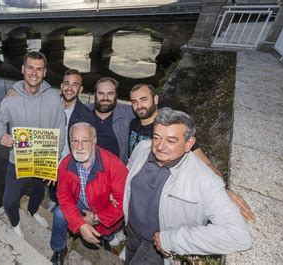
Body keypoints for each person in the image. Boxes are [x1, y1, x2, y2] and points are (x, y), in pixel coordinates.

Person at [122, 108, 251, 264]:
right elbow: (128, 172)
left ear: (189, 144)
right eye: (156, 137)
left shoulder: (205, 180)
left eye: (171, 140)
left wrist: (172, 240)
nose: (160, 146)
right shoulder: (142, 148)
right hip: (131, 230)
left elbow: (238, 235)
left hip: (157, 245)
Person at [127, 83, 255, 222]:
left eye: (144, 99)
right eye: (134, 101)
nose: (139, 105)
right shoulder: (134, 124)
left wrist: (220, 190)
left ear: (156, 99)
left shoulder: (174, 128)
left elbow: (206, 163)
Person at [0, 51, 66, 238]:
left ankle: (33, 212)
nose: (34, 73)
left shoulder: (55, 98)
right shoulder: (10, 99)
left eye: (39, 69)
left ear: (45, 72)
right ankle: (15, 224)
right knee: (8, 201)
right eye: (30, 67)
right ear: (23, 69)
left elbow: (60, 128)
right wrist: (1, 135)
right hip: (18, 158)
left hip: (43, 158)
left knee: (39, 193)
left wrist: (55, 158)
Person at [50, 122, 128, 265]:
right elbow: (64, 196)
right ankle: (59, 249)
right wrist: (80, 224)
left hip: (103, 207)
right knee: (59, 213)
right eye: (75, 141)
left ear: (94, 142)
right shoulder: (65, 164)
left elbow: (123, 203)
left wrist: (96, 219)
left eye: (85, 140)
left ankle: (106, 238)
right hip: (81, 202)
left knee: (108, 232)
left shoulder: (114, 165)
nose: (79, 147)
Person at [91, 77, 135, 164]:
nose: (105, 98)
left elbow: (152, 113)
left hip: (116, 173)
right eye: (101, 93)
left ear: (116, 96)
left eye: (110, 93)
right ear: (95, 94)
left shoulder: (127, 112)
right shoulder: (83, 112)